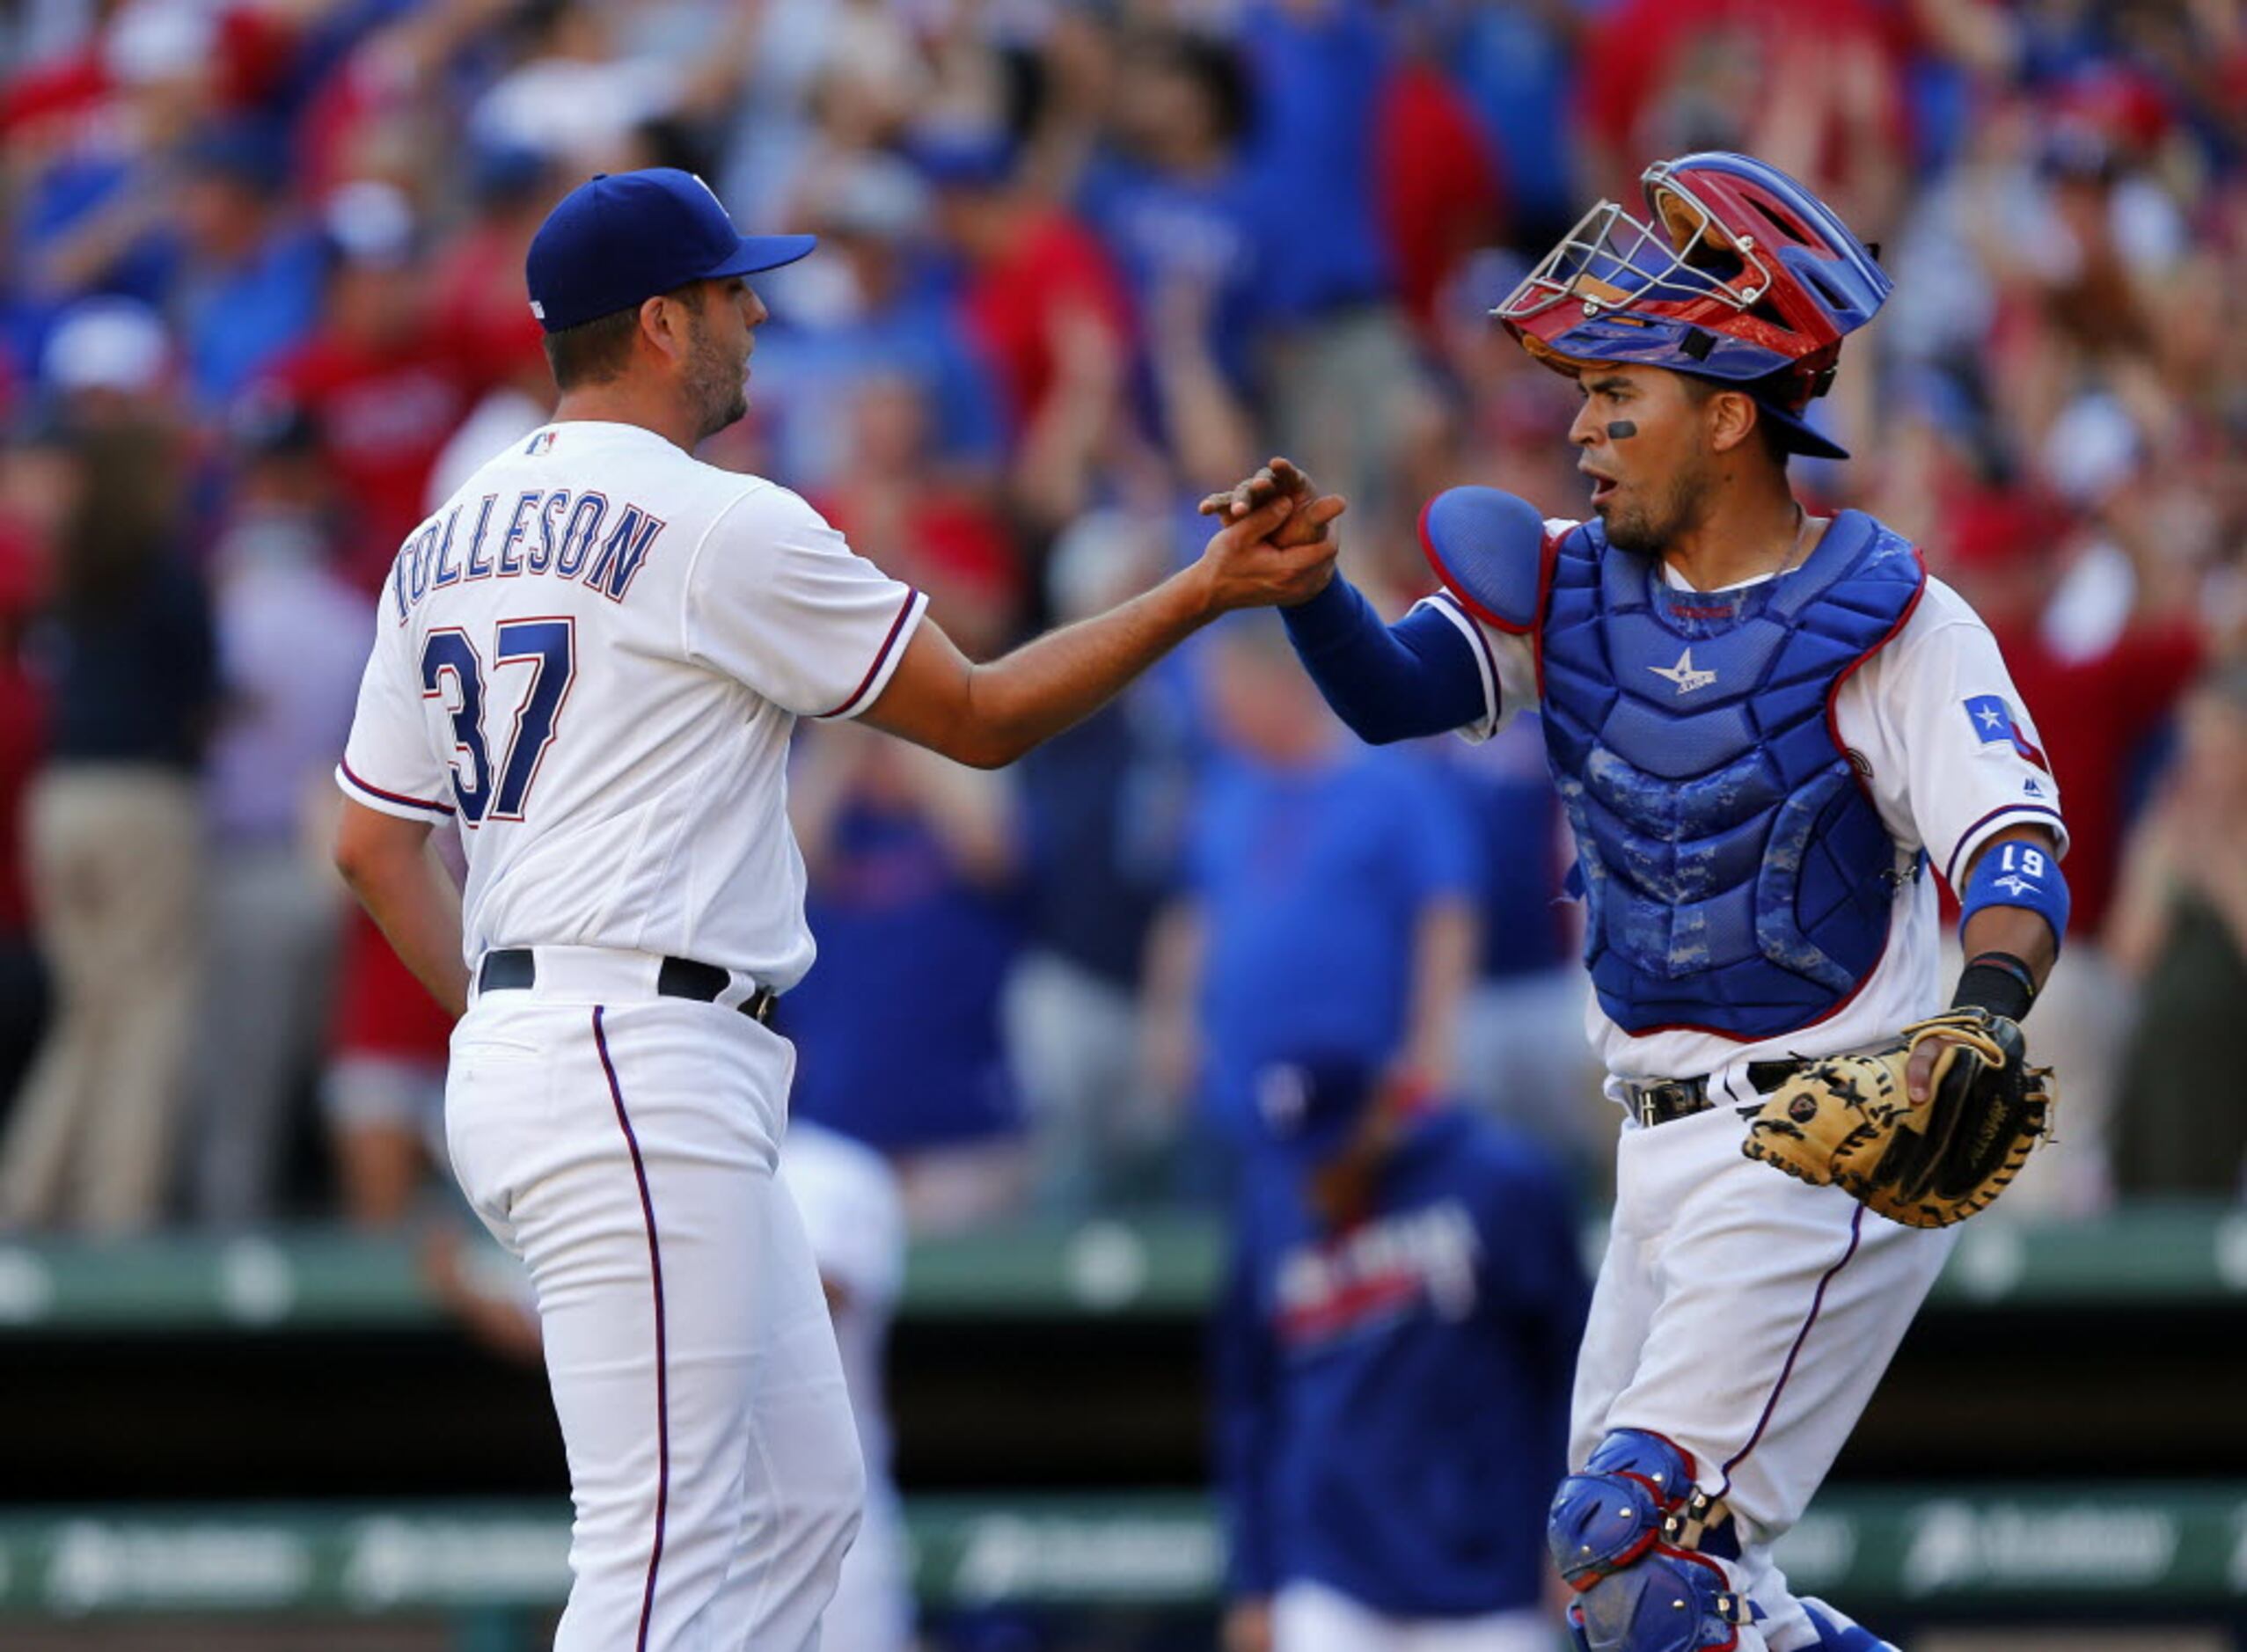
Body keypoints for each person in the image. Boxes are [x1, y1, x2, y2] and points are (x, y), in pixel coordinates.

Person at [327, 166, 1336, 1652]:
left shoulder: (447, 535)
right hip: (631, 1052)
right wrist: (1196, 594)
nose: (756, 315)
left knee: (800, 1507)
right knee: (654, 1557)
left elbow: (369, 843)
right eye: (734, 292)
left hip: (588, 1041)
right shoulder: (713, 520)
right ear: (661, 323)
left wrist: (508, 1022)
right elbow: (979, 716)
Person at [1218, 153, 2070, 1652]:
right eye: (1582, 394)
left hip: (1822, 1133)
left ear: (1729, 414)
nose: (1582, 428)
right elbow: (1394, 694)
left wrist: (1981, 1022)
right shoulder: (1569, 586)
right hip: (1656, 1145)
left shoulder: (1894, 619)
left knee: (1632, 1546)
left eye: (1620, 394)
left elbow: (2011, 852)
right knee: (1659, 1600)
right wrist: (1310, 598)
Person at [1215, 1051, 1586, 1652]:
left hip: (1490, 1573)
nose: (1314, 1174)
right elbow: (1249, 1402)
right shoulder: (1268, 1201)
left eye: (1330, 1148)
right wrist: (1253, 1581)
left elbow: (1571, 1370)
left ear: (1381, 1112)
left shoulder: (1504, 1182)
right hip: (1328, 1572)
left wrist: (1568, 1531)